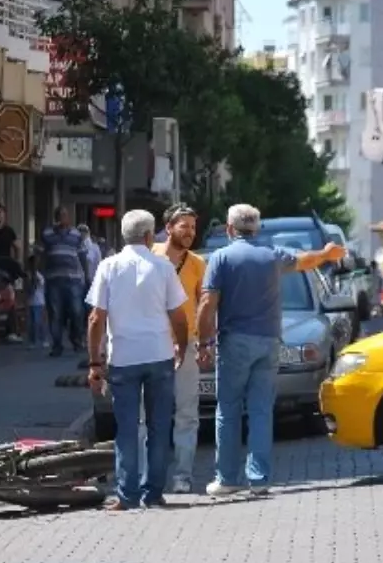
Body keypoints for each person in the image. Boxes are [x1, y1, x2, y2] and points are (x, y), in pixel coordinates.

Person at [197, 204, 345, 497]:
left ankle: (227, 478)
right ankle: (260, 478)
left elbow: (207, 304)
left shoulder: (221, 258)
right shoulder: (271, 255)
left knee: (227, 409)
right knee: (261, 411)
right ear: (257, 229)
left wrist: (203, 342)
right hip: (269, 340)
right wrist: (328, 254)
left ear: (229, 229)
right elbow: (305, 261)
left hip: (235, 341)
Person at [86, 209, 190, 511]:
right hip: (159, 354)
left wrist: (95, 362)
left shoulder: (108, 266)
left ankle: (127, 495)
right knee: (159, 426)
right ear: (149, 236)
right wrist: (181, 347)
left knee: (127, 428)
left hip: (124, 358)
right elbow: (179, 316)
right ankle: (153, 493)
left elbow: (96, 318)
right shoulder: (163, 267)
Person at [146, 203, 207, 493]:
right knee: (150, 414)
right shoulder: (150, 255)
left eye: (193, 227)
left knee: (186, 412)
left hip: (187, 345)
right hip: (153, 344)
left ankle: (183, 475)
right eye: (184, 226)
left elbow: (204, 305)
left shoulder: (197, 264)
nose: (190, 232)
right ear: (168, 228)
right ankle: (149, 474)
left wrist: (206, 340)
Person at [40, 207, 90, 357]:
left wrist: (86, 277)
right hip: (53, 280)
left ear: (69, 218)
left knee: (76, 311)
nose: (62, 218)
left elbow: (82, 257)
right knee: (55, 313)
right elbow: (41, 255)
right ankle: (57, 345)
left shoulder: (76, 235)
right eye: (59, 215)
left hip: (73, 280)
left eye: (64, 215)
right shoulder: (47, 234)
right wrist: (37, 274)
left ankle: (77, 340)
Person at [26, 254, 48, 349]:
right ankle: (32, 341)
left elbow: (38, 287)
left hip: (40, 301)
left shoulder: (39, 275)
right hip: (32, 302)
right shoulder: (29, 275)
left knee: (39, 322)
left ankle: (43, 339)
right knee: (32, 323)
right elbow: (29, 288)